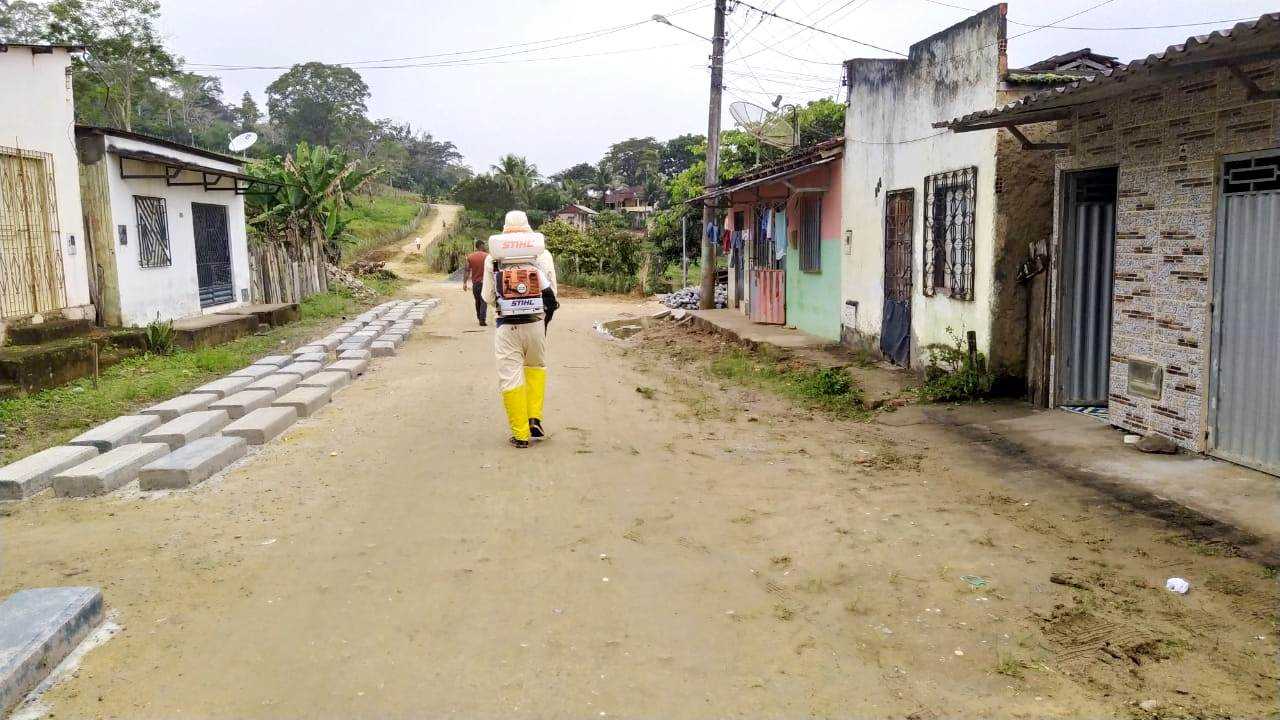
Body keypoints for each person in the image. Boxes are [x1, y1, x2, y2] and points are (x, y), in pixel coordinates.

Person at [482, 211, 558, 448]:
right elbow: (552, 293)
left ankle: (521, 435)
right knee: (536, 367)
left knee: (510, 377)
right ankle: (534, 418)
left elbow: (488, 296)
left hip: (508, 326)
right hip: (536, 324)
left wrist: (508, 302)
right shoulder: (542, 254)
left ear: (504, 228)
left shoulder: (493, 258)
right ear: (528, 227)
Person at [462, 239, 488, 326]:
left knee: (477, 301)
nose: (484, 247)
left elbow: (467, 271)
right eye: (483, 245)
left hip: (476, 284)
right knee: (484, 300)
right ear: (481, 246)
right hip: (485, 283)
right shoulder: (488, 256)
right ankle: (482, 319)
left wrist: (465, 283)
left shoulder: (470, 257)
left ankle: (479, 317)